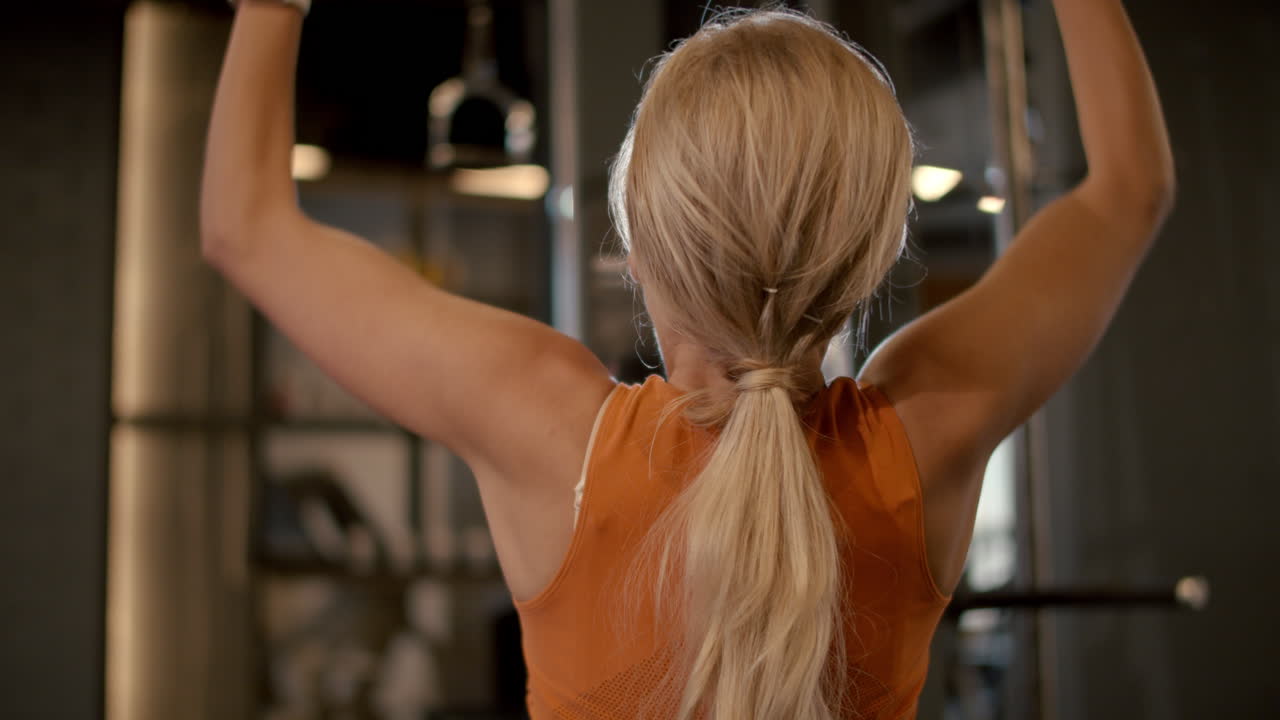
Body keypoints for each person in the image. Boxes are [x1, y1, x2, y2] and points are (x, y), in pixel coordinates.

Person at [201, 1, 1174, 718]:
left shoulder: (545, 425)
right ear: (870, 247)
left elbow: (245, 227)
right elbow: (1126, 189)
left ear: (643, 248)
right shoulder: (928, 428)